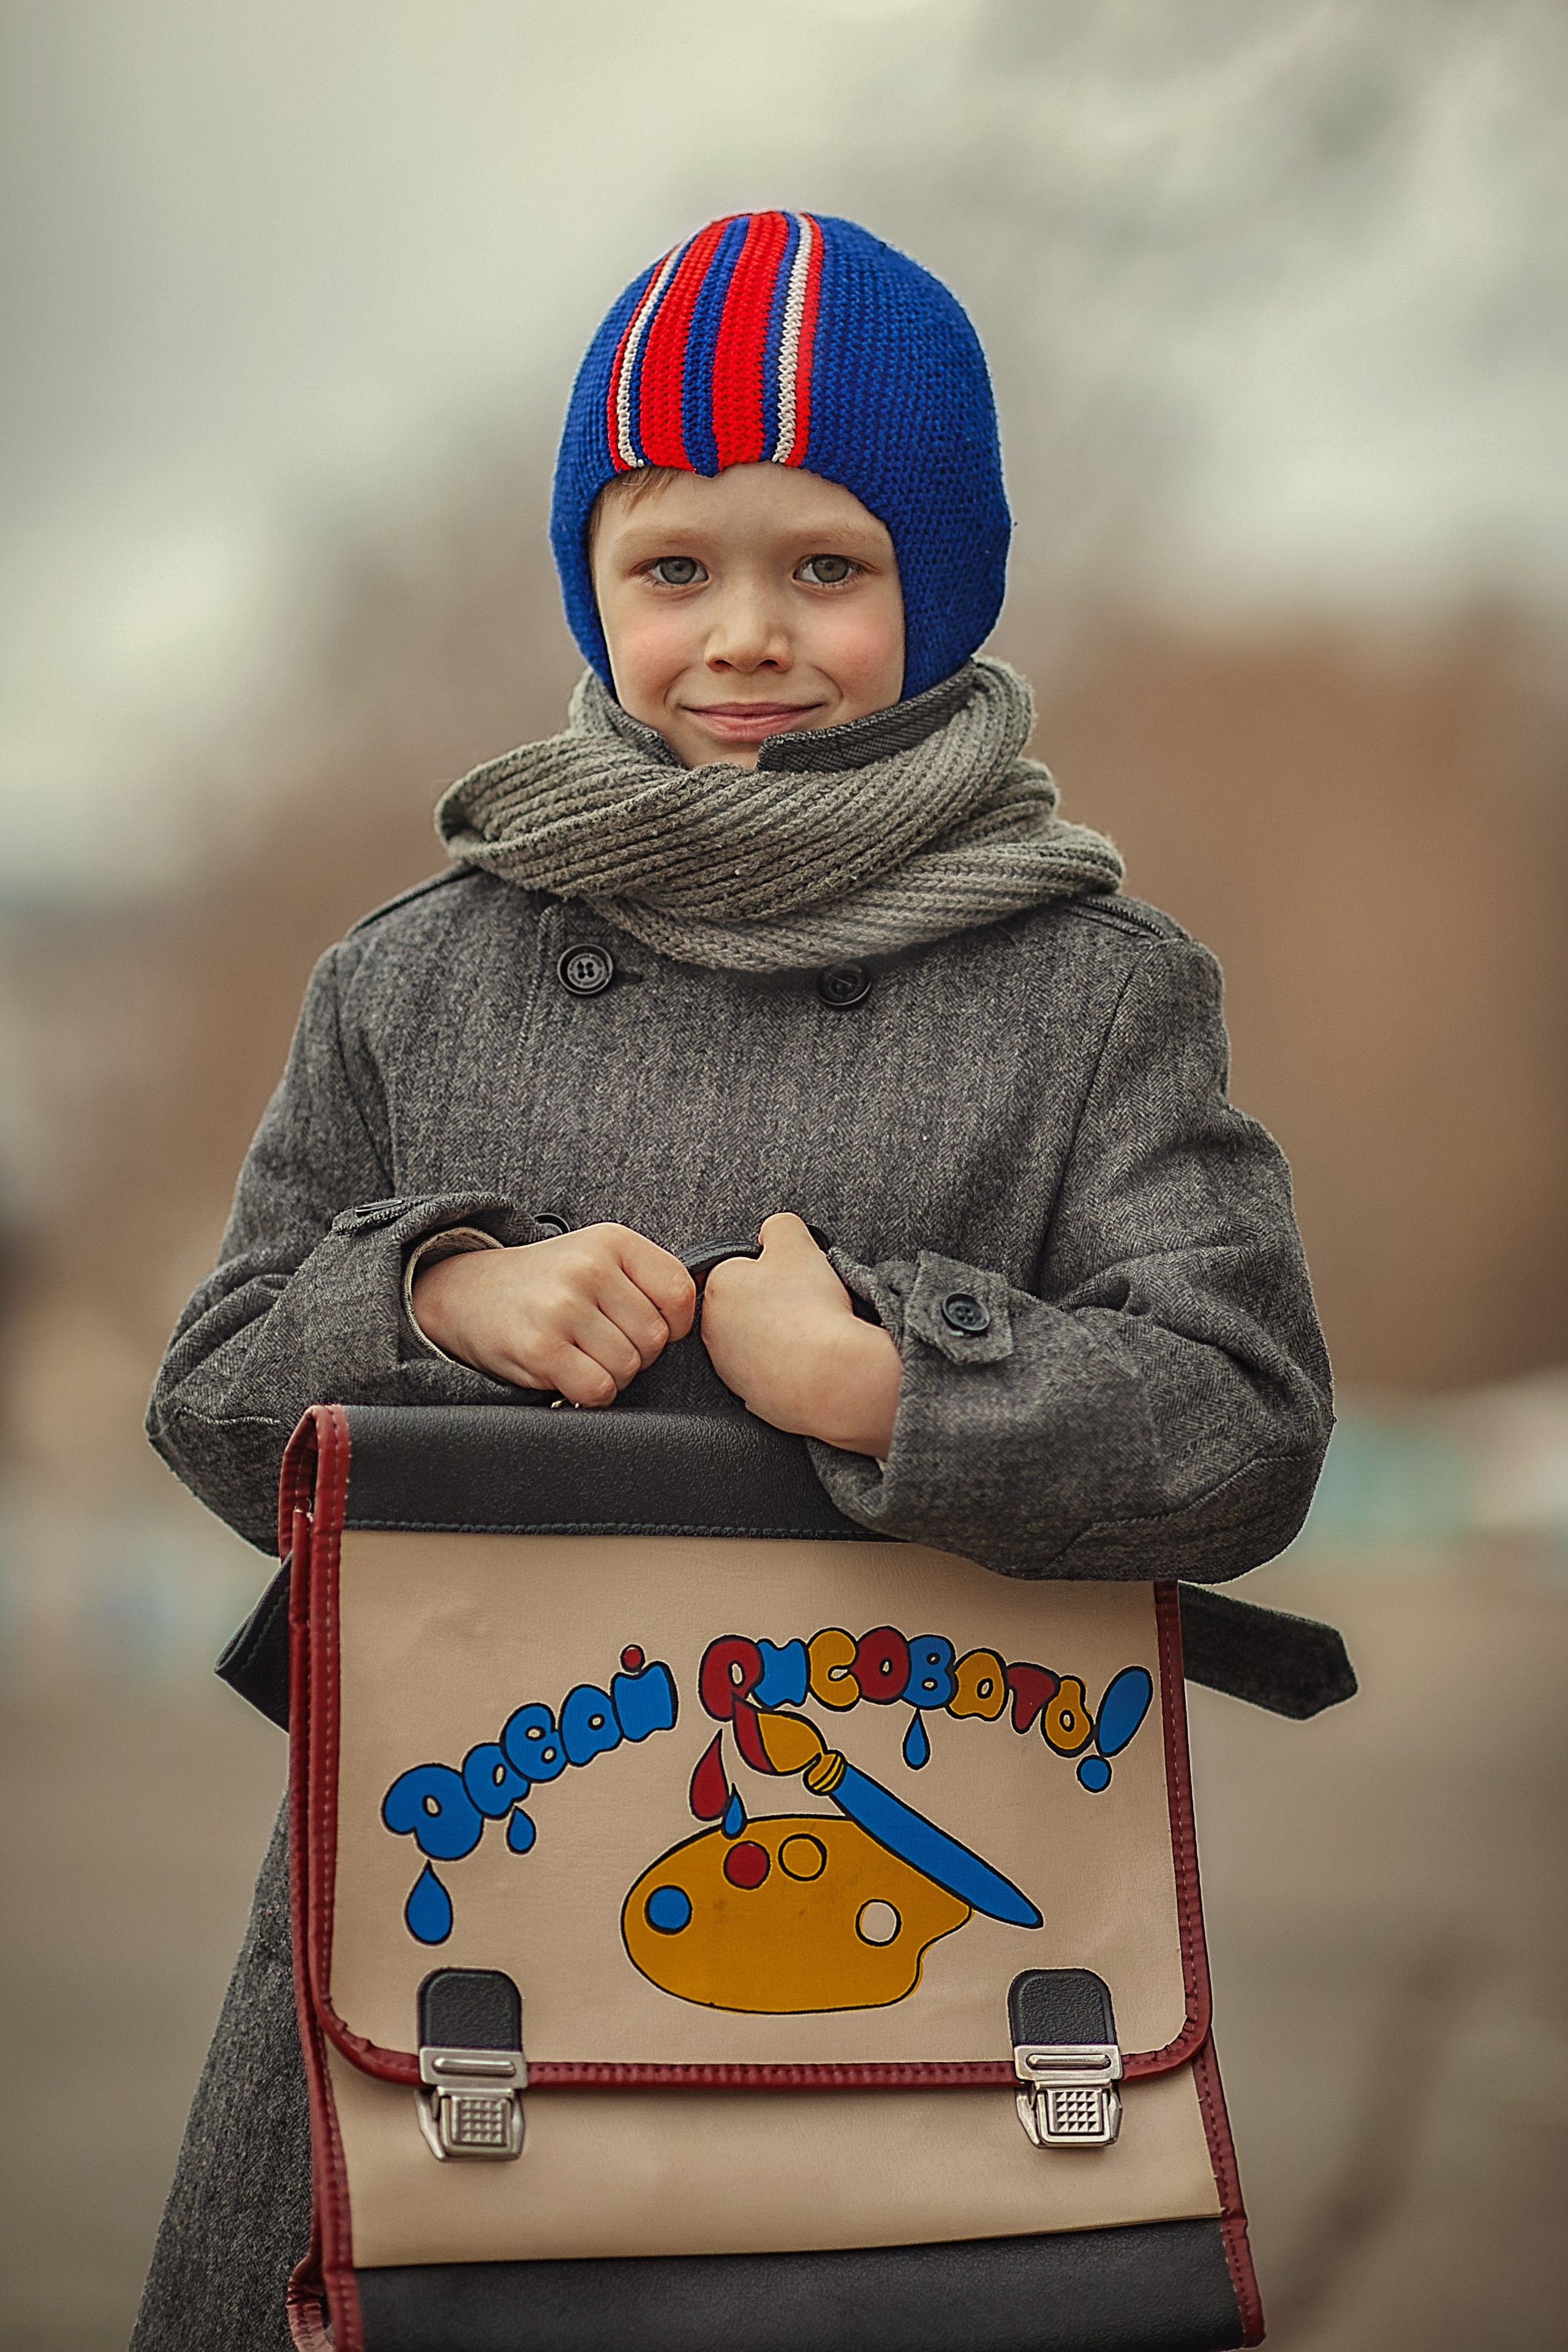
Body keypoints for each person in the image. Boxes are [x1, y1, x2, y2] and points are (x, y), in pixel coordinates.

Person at [130, 211, 1332, 2348]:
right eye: (675, 566)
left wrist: (899, 1383)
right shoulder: (417, 979)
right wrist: (436, 1305)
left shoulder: (1095, 995)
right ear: (592, 581)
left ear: (941, 588)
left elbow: (1242, 1427)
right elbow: (216, 1392)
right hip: (453, 1935)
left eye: (830, 568)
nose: (747, 637)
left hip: (960, 1974)